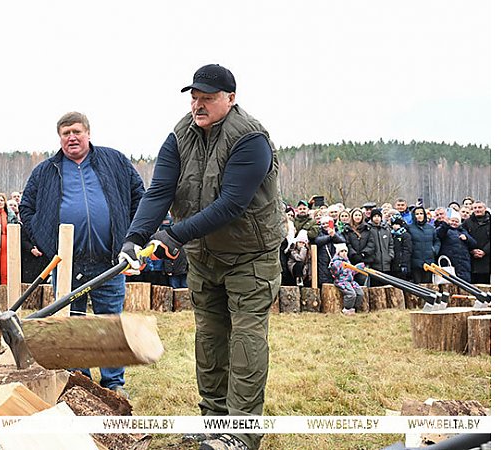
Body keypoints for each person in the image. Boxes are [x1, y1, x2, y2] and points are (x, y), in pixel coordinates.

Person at [118, 64, 282, 450]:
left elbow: (231, 204)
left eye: (207, 98)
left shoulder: (251, 139)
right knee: (209, 339)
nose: (198, 105)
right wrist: (134, 238)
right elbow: (159, 191)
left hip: (250, 256)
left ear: (231, 98)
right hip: (205, 256)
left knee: (244, 339)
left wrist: (174, 234)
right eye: (194, 97)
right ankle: (214, 423)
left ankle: (241, 434)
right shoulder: (180, 135)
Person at [20, 111, 144, 401]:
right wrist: (46, 241)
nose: (71, 137)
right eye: (65, 133)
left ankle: (113, 382)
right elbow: (27, 208)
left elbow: (140, 195)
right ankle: (79, 380)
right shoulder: (46, 171)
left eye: (76, 131)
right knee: (71, 324)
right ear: (59, 138)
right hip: (66, 264)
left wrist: (132, 234)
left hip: (109, 260)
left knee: (109, 321)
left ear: (88, 133)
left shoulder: (113, 161)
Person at [436, 210, 478, 282]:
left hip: (463, 263)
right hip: (449, 262)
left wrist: (466, 238)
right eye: (452, 221)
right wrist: (445, 224)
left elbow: (474, 243)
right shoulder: (444, 229)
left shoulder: (463, 231)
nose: (454, 223)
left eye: (456, 221)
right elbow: (440, 233)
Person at [407, 205, 440, 284]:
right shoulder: (409, 228)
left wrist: (434, 250)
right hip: (415, 262)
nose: (419, 216)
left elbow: (437, 241)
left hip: (429, 261)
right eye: (417, 214)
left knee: (428, 285)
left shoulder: (431, 228)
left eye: (421, 213)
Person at [329, 243, 365, 315]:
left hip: (350, 281)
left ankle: (354, 307)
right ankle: (347, 308)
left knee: (360, 293)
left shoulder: (347, 261)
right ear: (338, 253)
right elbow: (335, 273)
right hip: (341, 281)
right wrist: (334, 268)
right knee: (351, 294)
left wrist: (357, 268)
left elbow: (351, 272)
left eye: (345, 251)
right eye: (342, 251)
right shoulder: (337, 262)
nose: (344, 253)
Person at [362, 210, 394, 285]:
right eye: (375, 216)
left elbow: (391, 244)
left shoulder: (386, 229)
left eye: (378, 216)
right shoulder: (368, 229)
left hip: (386, 263)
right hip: (374, 263)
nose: (377, 218)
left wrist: (390, 255)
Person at [313, 216, 346, 288]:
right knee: (325, 283)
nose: (325, 225)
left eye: (327, 223)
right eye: (323, 224)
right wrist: (330, 237)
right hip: (323, 262)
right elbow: (317, 241)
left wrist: (334, 235)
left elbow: (342, 241)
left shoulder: (337, 231)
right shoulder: (319, 232)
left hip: (337, 262)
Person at [463, 201, 490, 284]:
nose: (477, 210)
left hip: (487, 260)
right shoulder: (467, 222)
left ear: (485, 209)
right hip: (471, 260)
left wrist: (485, 251)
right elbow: (463, 236)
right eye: (475, 208)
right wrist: (472, 250)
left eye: (480, 207)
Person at [389, 215, 413, 281]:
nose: (395, 226)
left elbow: (407, 250)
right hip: (394, 265)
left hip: (402, 264)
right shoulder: (391, 235)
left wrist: (404, 263)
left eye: (397, 224)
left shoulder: (405, 235)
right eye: (393, 224)